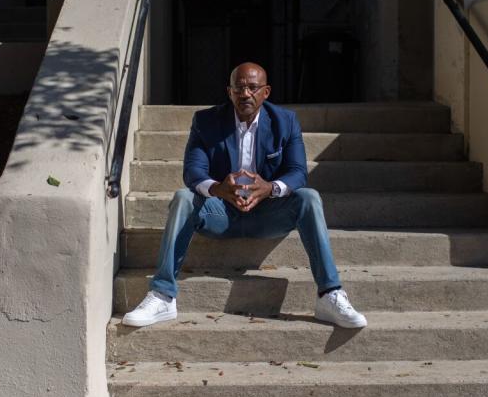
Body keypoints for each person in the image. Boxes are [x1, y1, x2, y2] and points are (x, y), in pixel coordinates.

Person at [122, 62, 367, 329]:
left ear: (266, 92)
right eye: (239, 88)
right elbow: (193, 172)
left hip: (267, 215)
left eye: (252, 87)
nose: (245, 94)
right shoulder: (206, 121)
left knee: (309, 197)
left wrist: (269, 189)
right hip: (221, 213)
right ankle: (163, 295)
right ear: (229, 92)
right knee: (183, 198)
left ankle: (328, 294)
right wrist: (218, 189)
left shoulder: (285, 122)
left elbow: (298, 173)